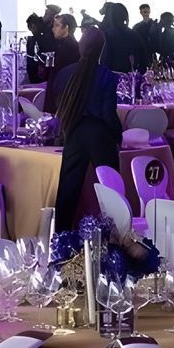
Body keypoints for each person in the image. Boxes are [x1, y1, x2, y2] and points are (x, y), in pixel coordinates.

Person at [48, 26, 120, 228]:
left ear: (81, 47)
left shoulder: (65, 74)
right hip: (100, 135)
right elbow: (107, 114)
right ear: (101, 50)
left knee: (67, 192)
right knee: (111, 191)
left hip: (74, 133)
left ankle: (60, 238)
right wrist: (118, 134)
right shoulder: (107, 76)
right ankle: (115, 237)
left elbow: (57, 107)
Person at [133, 4, 160, 72]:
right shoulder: (137, 26)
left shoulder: (155, 24)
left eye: (147, 12)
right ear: (141, 13)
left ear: (150, 11)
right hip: (140, 54)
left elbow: (158, 39)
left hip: (151, 52)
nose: (146, 14)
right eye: (144, 12)